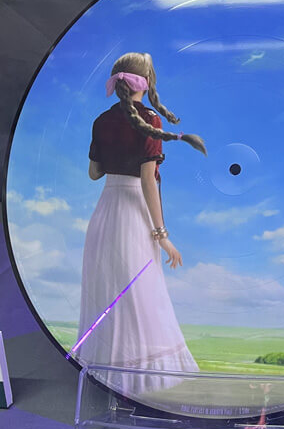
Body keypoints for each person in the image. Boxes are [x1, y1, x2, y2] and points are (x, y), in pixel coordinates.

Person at [77, 53, 206, 392]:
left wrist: (114, 157)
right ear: (145, 83)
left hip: (106, 212)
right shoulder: (150, 120)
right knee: (141, 294)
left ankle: (106, 373)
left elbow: (94, 173)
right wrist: (162, 235)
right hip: (134, 214)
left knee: (108, 294)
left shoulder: (101, 120)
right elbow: (148, 181)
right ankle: (144, 378)